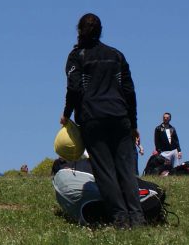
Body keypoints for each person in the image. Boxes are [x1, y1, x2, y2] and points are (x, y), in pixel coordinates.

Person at [61, 13, 144, 229]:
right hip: (120, 117)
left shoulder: (77, 56)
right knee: (126, 170)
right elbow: (129, 91)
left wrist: (67, 114)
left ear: (79, 30)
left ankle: (120, 218)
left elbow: (74, 88)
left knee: (105, 171)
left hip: (93, 118)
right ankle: (137, 217)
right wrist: (133, 124)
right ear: (101, 31)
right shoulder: (116, 55)